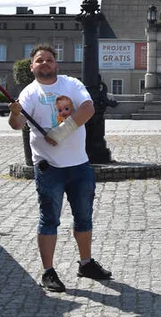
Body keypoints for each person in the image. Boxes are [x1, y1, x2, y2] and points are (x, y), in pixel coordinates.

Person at [8, 44, 111, 292]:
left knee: (84, 217)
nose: (45, 64)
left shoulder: (71, 84)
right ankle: (48, 271)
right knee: (49, 219)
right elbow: (17, 123)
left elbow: (88, 109)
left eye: (49, 60)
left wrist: (61, 132)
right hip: (49, 167)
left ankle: (86, 263)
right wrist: (14, 114)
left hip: (79, 165)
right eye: (39, 60)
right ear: (32, 66)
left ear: (56, 64)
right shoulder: (29, 93)